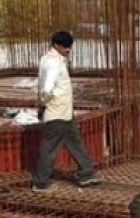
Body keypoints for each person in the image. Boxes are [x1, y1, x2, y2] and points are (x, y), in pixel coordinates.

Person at [31, 31, 101, 191]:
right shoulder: (54, 63)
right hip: (57, 113)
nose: (68, 50)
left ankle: (87, 173)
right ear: (57, 45)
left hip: (65, 112)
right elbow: (46, 88)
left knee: (75, 142)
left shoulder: (48, 59)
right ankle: (40, 183)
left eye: (69, 47)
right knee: (49, 148)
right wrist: (47, 103)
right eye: (66, 47)